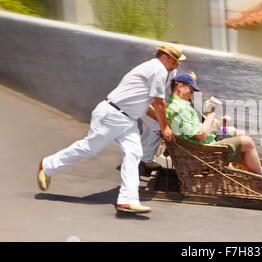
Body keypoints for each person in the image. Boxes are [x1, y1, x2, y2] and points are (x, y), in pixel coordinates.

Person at [37, 44, 185, 213]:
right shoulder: (158, 69)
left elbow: (148, 105)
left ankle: (127, 201)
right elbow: (159, 103)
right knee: (88, 148)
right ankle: (47, 165)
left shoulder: (154, 69)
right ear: (164, 57)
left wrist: (162, 124)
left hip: (127, 119)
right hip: (112, 115)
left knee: (134, 154)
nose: (177, 65)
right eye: (174, 61)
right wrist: (165, 127)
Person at [166, 73, 262, 179]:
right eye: (191, 91)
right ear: (180, 87)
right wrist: (212, 112)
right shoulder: (181, 108)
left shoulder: (175, 103)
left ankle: (258, 172)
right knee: (248, 142)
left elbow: (197, 128)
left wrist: (220, 123)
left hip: (201, 143)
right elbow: (201, 135)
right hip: (203, 150)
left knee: (238, 135)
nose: (192, 95)